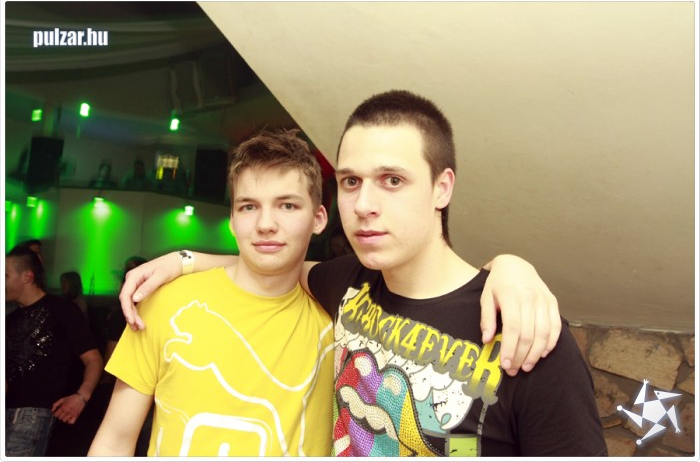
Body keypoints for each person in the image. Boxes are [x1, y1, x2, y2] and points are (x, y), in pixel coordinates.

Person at [119, 91, 606, 456]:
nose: (364, 204)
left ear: (442, 188)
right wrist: (183, 260)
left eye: (392, 180)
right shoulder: (347, 284)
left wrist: (512, 268)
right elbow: (276, 261)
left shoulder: (524, 330)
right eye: (351, 181)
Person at [89, 129, 335, 456]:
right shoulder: (167, 301)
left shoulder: (342, 313)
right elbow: (114, 441)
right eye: (249, 207)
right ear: (232, 219)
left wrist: (186, 259)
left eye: (287, 205)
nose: (265, 224)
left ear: (318, 219)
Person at [5, 246, 104, 457]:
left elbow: (93, 359)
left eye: (5, 275)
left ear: (27, 277)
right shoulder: (10, 319)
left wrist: (81, 397)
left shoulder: (62, 310)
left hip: (33, 415)